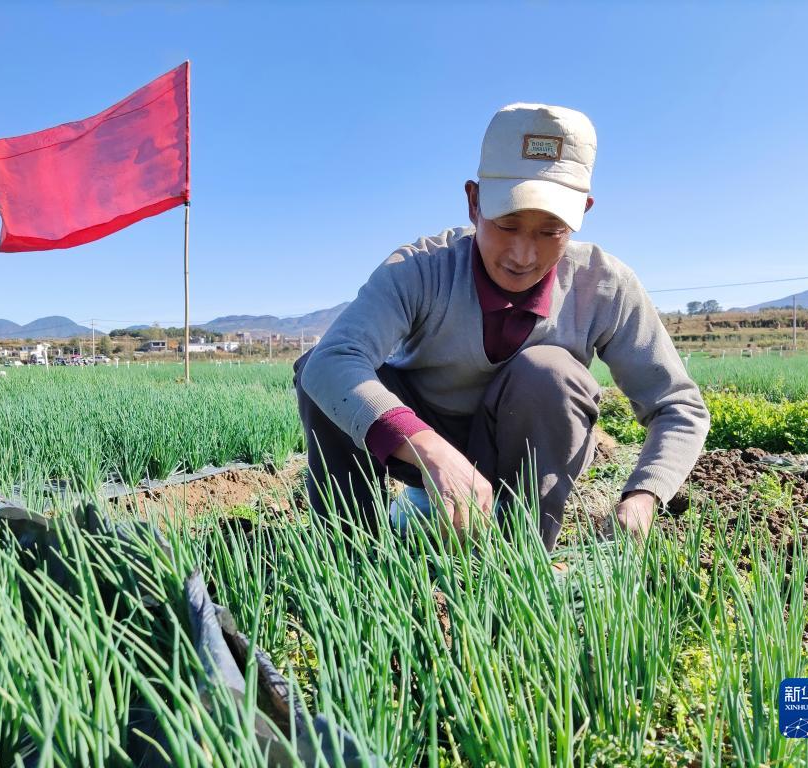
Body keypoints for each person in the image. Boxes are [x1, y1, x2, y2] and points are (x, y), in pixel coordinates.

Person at [293, 103, 710, 550]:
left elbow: (678, 406)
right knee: (326, 374)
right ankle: (352, 551)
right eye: (507, 224)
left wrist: (644, 495)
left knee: (551, 371)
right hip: (418, 447)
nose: (523, 254)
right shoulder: (423, 268)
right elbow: (331, 360)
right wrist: (430, 452)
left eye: (550, 231)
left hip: (525, 451)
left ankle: (521, 557)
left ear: (581, 214)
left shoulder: (603, 284)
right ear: (474, 203)